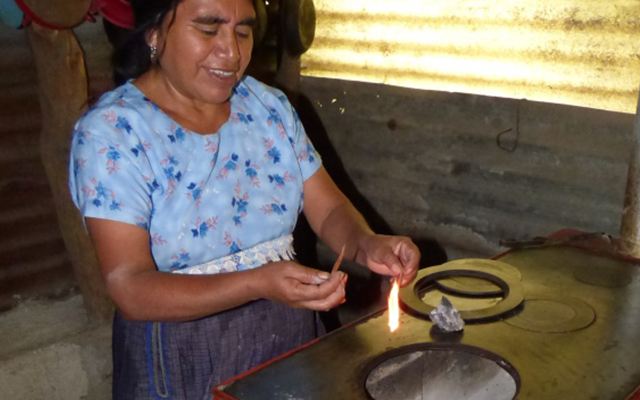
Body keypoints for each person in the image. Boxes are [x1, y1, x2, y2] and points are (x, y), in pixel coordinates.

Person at [68, 0, 420, 398]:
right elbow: (131, 287)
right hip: (179, 355)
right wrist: (258, 282)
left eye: (243, 31)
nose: (232, 53)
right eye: (207, 28)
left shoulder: (267, 107)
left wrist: (366, 243)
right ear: (154, 33)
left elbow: (330, 209)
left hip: (287, 334)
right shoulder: (113, 133)